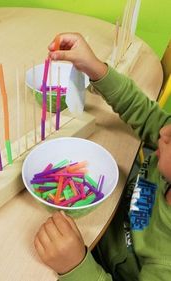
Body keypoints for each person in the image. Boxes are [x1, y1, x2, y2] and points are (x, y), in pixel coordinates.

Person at [34, 33, 171, 281]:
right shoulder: (166, 139)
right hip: (105, 212)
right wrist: (95, 68)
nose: (164, 130)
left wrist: (76, 266)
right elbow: (148, 115)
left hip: (94, 260)